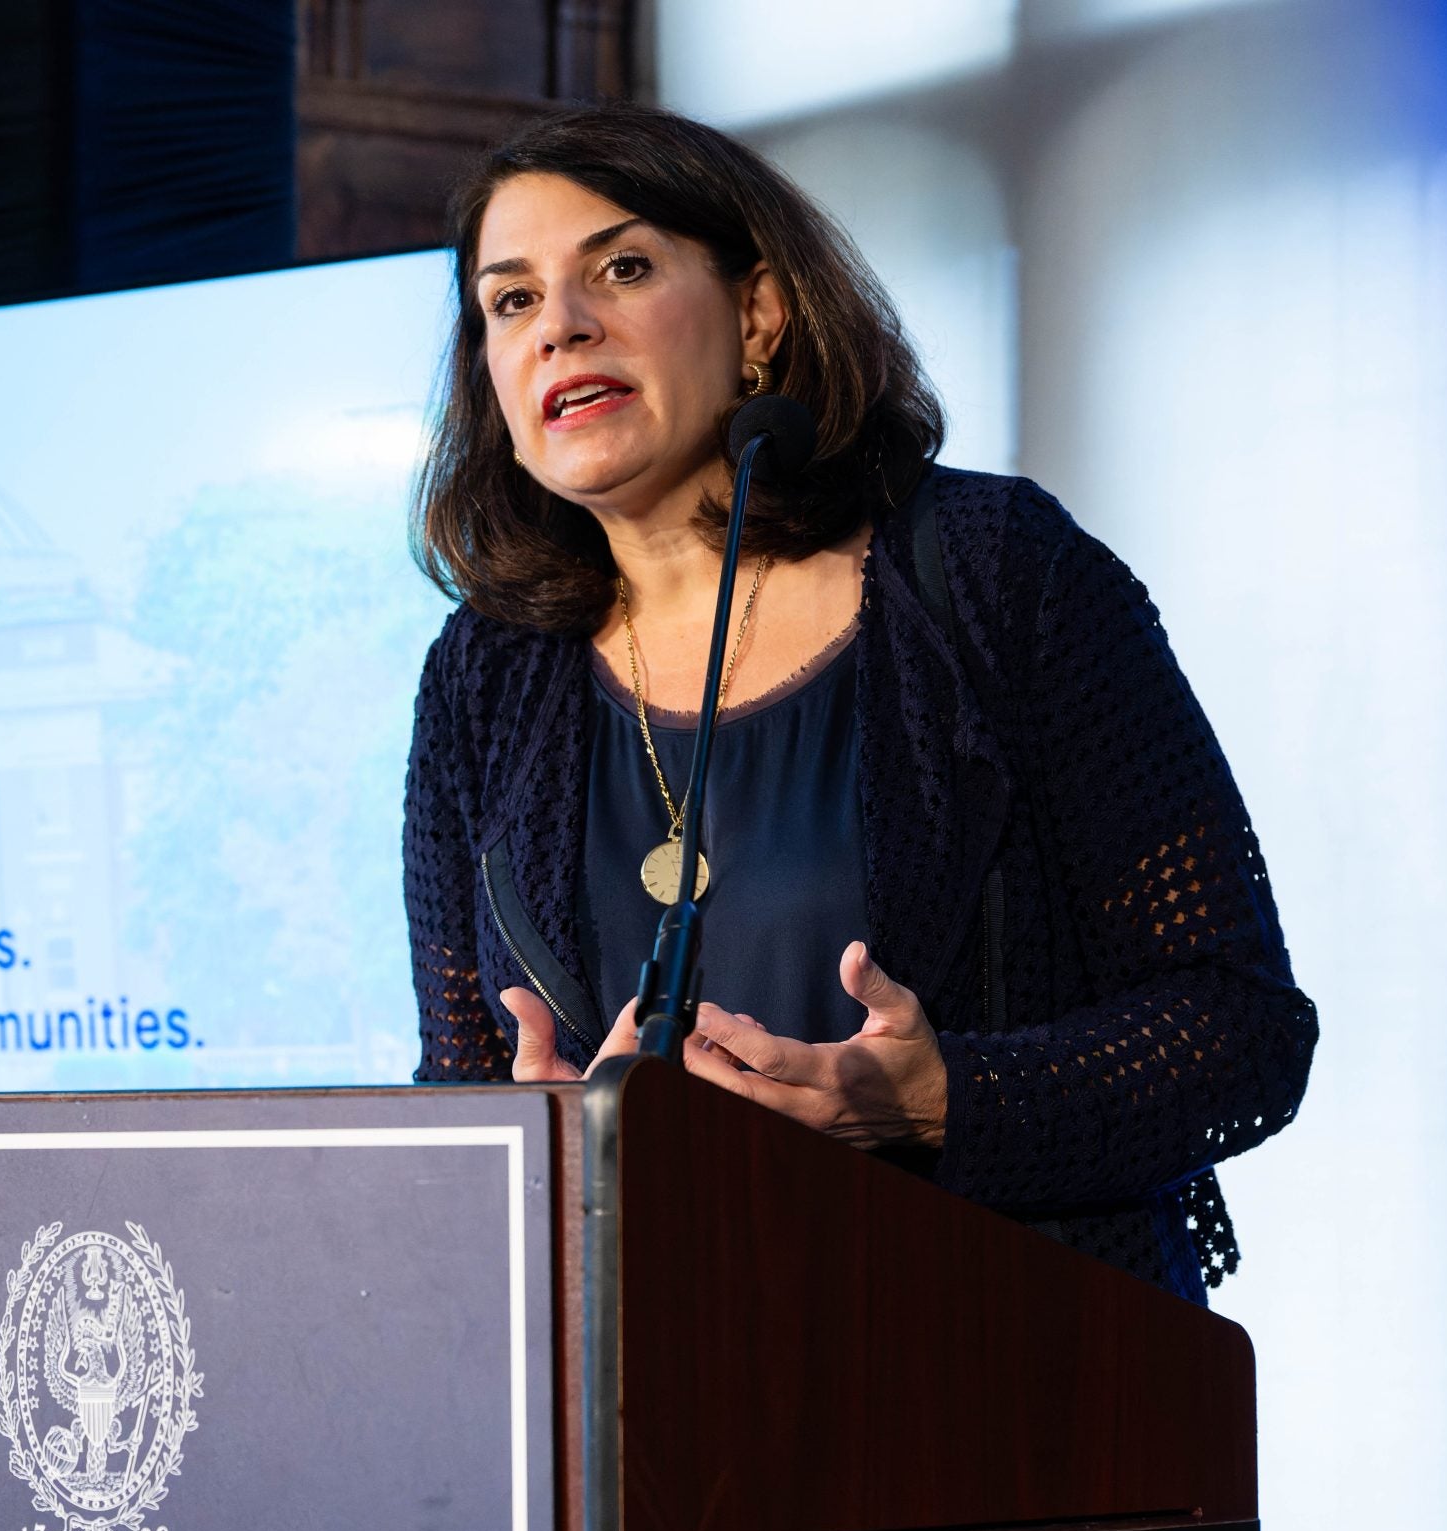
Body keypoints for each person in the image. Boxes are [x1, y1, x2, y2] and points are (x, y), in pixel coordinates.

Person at [402, 105, 1317, 1303]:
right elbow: (462, 1087)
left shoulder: (993, 574)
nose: (559, 327)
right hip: (653, 1405)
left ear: (760, 316)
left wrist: (942, 1102)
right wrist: (539, 1149)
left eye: (620, 268)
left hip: (1004, 1378)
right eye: (509, 301)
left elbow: (1237, 1032)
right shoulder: (486, 673)